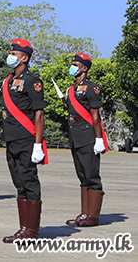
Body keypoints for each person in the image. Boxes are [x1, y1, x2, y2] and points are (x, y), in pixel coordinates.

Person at [0, 39, 47, 243]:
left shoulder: (32, 80)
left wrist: (38, 144)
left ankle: (32, 231)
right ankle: (24, 228)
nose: (10, 55)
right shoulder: (9, 80)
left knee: (29, 180)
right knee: (19, 182)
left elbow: (39, 114)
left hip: (26, 138)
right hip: (11, 137)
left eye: (14, 53)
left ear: (24, 58)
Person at [64, 53, 106, 227]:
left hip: (88, 134)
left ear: (84, 68)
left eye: (76, 64)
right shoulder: (71, 89)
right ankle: (84, 213)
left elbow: (95, 115)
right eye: (72, 63)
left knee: (91, 174)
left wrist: (99, 139)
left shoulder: (91, 88)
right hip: (75, 135)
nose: (73, 67)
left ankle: (93, 216)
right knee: (82, 175)